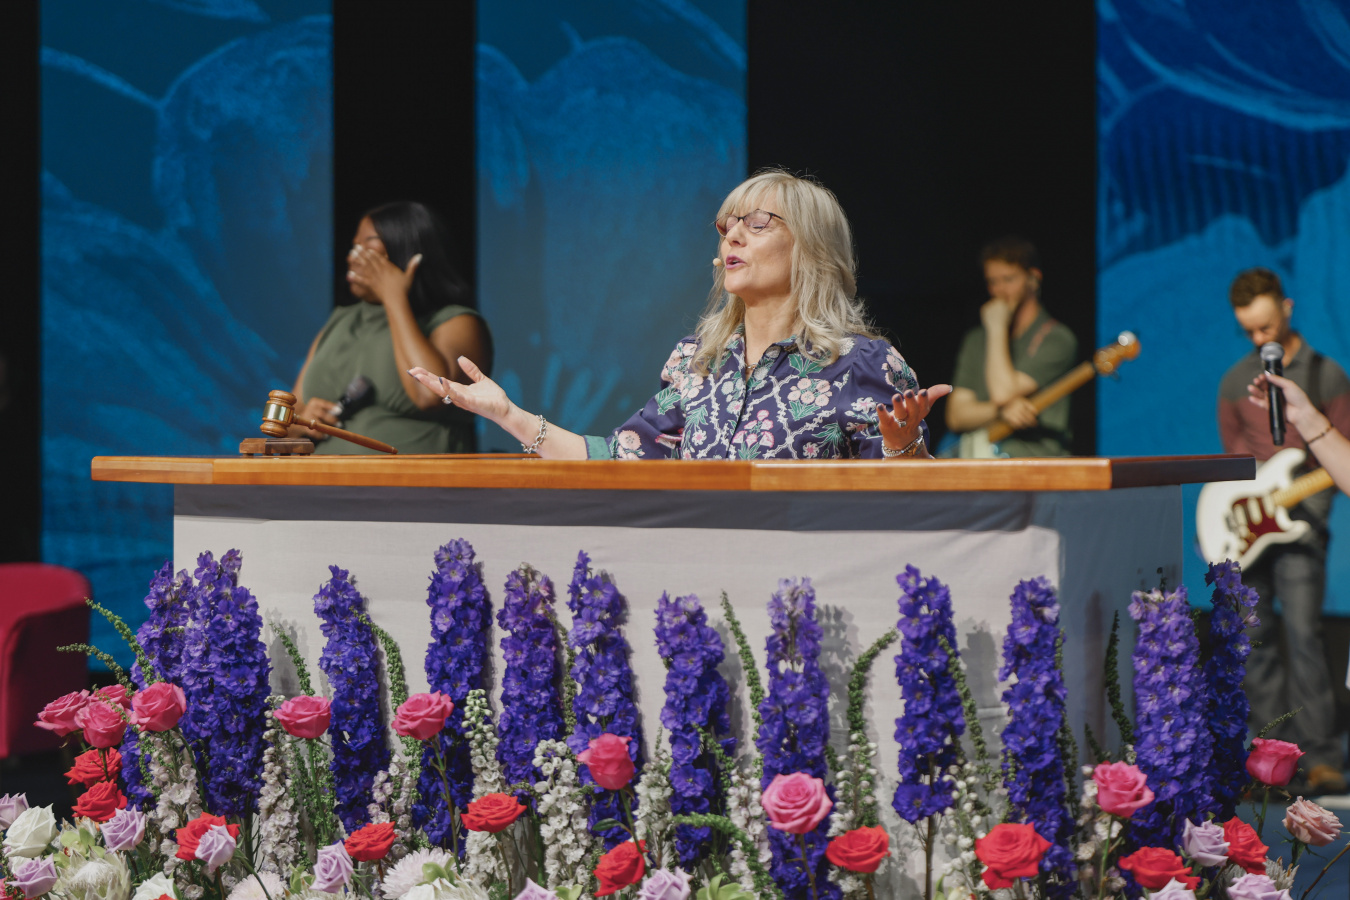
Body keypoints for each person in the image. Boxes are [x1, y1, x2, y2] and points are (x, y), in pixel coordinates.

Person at [408, 169, 949, 460]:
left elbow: (910, 508)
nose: (733, 235)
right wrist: (509, 414)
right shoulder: (698, 363)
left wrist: (905, 450)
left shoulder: (862, 363)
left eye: (757, 223)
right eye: (727, 226)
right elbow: (618, 458)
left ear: (810, 247)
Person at [1218, 266, 1350, 795]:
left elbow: (1341, 456)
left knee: (1304, 634)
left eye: (1266, 327)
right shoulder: (1235, 381)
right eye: (1249, 330)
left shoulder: (1325, 374)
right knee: (1254, 639)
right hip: (1249, 528)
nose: (1259, 338)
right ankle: (1268, 758)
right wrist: (1240, 516)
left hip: (1303, 525)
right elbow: (1231, 464)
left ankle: (1322, 756)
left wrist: (1299, 509)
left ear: (1287, 308)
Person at [291, 201, 492, 454]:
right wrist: (302, 422)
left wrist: (394, 296)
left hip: (416, 478)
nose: (352, 257)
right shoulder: (341, 320)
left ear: (408, 252)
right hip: (319, 476)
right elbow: (289, 418)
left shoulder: (458, 322)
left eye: (367, 247)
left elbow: (429, 395)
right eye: (354, 247)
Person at [944, 236, 1077, 457]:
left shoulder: (1057, 338)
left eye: (1009, 279)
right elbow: (957, 415)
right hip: (983, 456)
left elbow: (1003, 393)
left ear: (1033, 279)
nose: (1000, 290)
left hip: (1035, 458)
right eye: (992, 282)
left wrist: (997, 328)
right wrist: (1001, 412)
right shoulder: (976, 339)